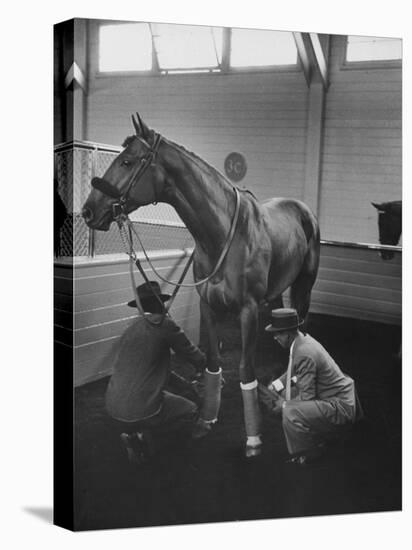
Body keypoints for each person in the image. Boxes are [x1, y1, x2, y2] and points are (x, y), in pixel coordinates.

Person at [105, 281, 210, 464]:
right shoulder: (164, 325)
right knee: (191, 410)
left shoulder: (131, 327)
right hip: (141, 408)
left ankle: (133, 433)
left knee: (152, 391)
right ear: (159, 303)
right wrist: (207, 366)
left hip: (112, 406)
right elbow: (193, 355)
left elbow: (156, 372)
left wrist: (186, 386)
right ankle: (146, 436)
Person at [258, 308, 363, 465]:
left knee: (290, 411)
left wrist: (284, 405)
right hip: (336, 394)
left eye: (277, 333)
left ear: (287, 334)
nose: (275, 337)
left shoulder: (303, 353)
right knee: (287, 393)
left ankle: (308, 453)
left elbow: (307, 398)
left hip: (340, 407)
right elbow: (294, 372)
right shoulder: (302, 340)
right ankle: (316, 434)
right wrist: (276, 385)